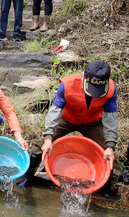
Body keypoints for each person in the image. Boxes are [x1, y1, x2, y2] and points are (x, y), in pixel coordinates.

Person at [21, 60, 118, 196]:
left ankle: (105, 191)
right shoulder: (67, 85)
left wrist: (110, 145)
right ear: (85, 76)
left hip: (92, 121)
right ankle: (27, 178)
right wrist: (48, 137)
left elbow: (110, 118)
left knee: (106, 153)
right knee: (39, 147)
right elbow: (55, 112)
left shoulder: (111, 89)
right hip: (66, 118)